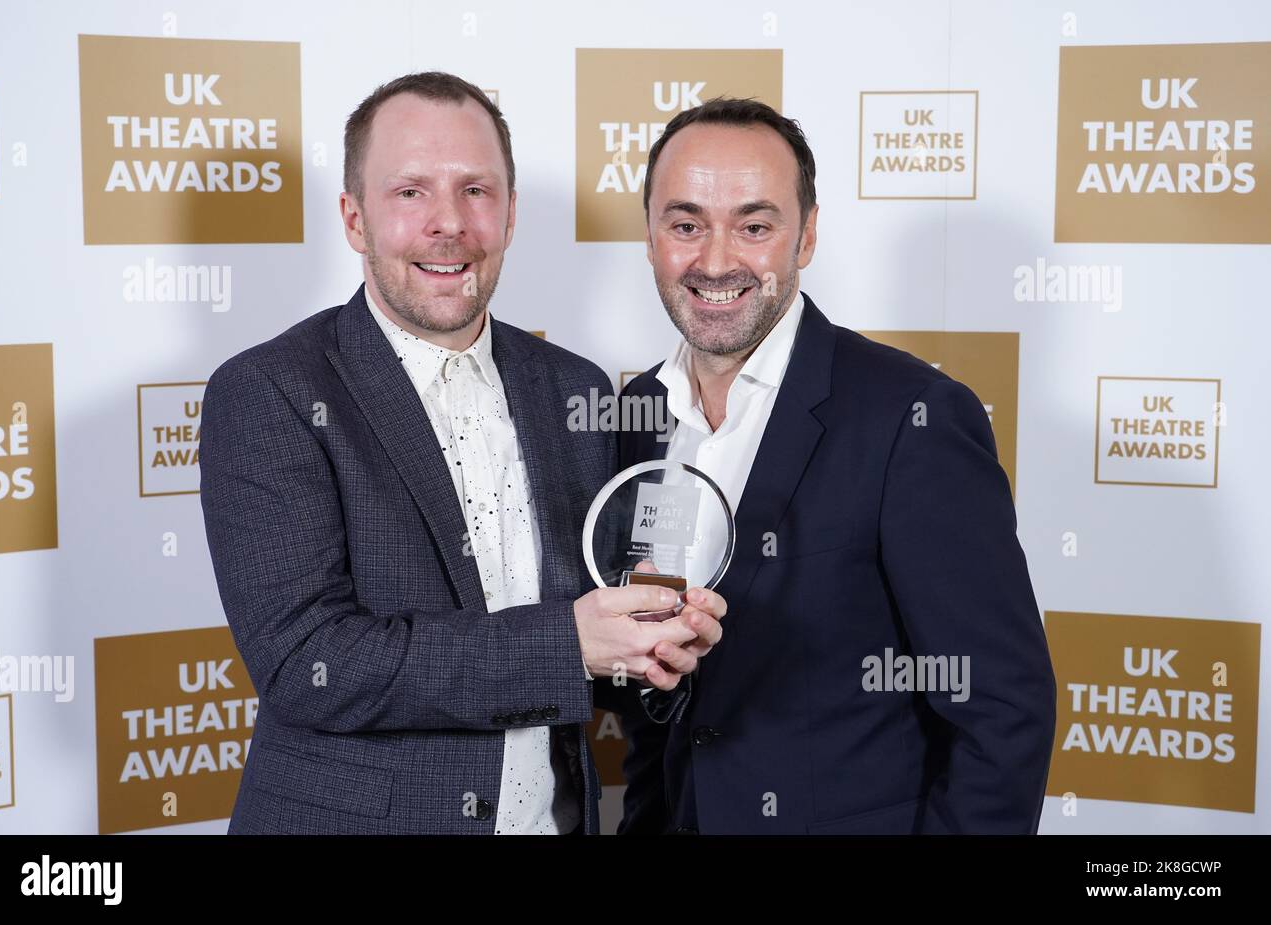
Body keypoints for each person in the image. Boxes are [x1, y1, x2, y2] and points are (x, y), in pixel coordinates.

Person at [198, 72, 725, 835]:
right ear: (354, 217)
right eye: (410, 191)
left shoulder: (573, 387)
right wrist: (569, 639)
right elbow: (308, 663)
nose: (449, 223)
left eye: (476, 190)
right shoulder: (269, 391)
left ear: (510, 216)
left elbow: (592, 647)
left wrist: (651, 645)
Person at [616, 98, 1056, 834]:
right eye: (686, 224)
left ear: (807, 236)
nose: (716, 259)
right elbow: (657, 699)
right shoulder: (639, 414)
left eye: (755, 226)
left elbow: (1004, 710)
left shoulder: (911, 416)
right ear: (652, 236)